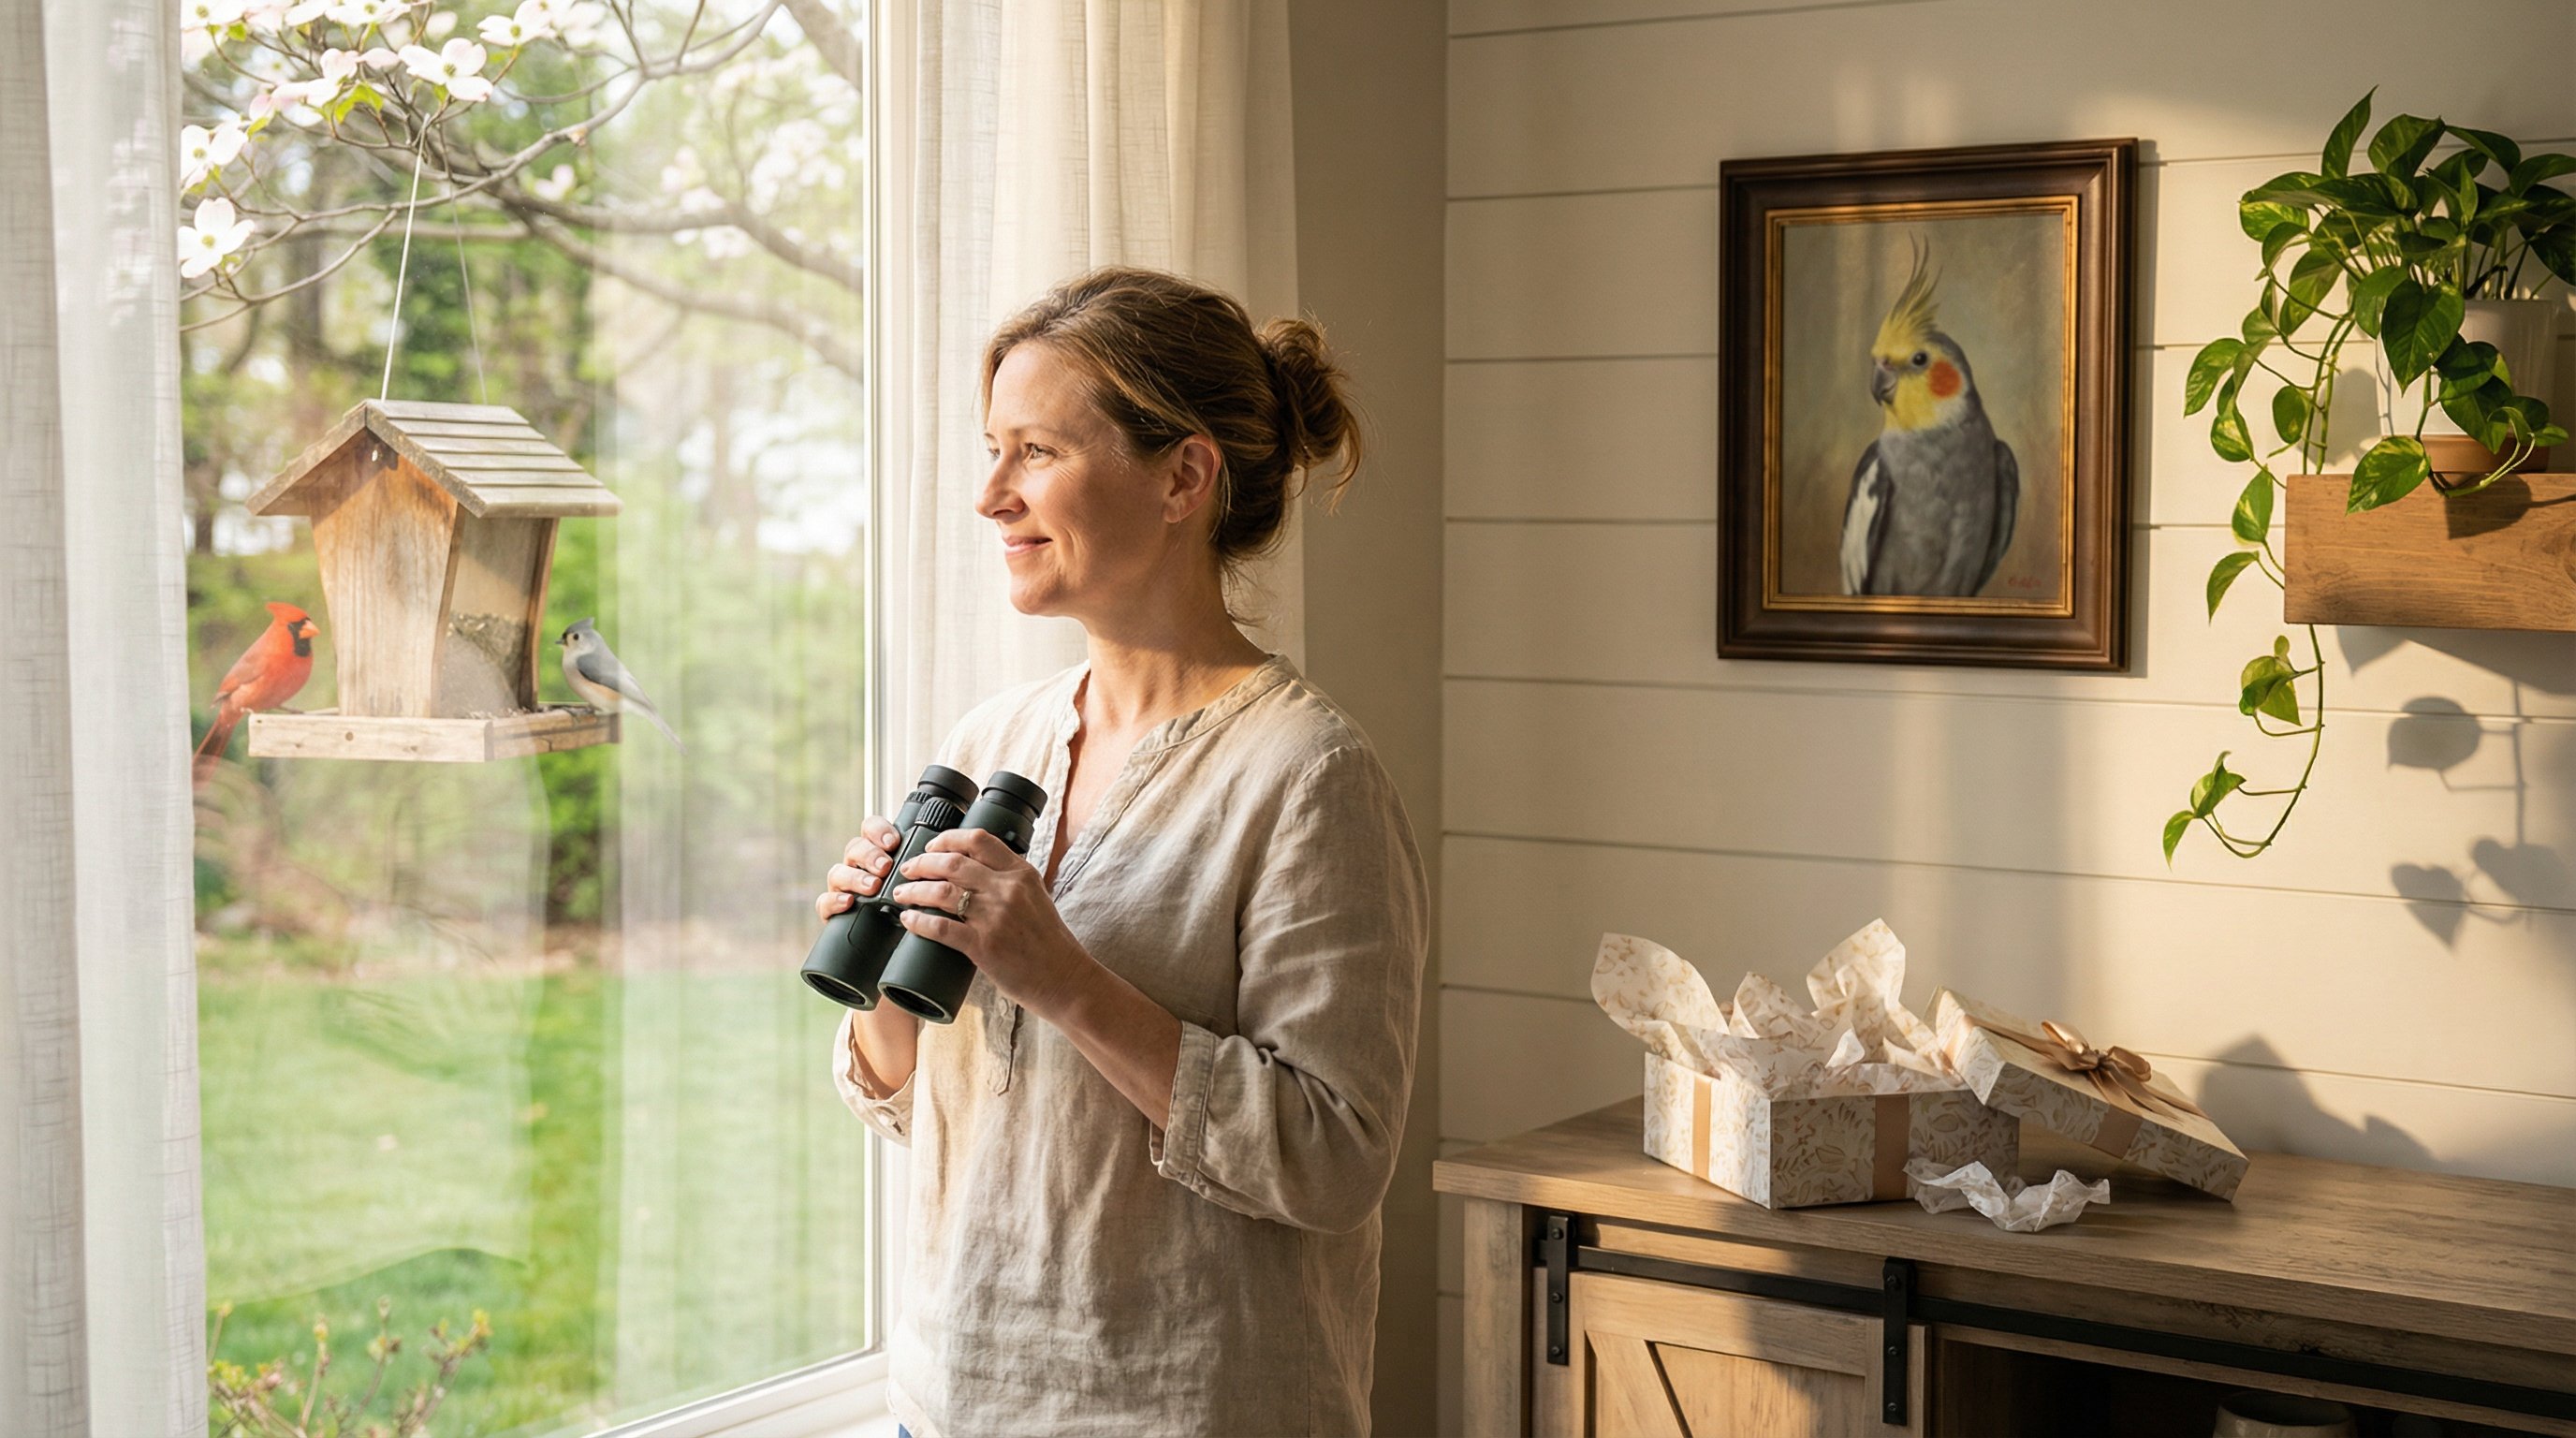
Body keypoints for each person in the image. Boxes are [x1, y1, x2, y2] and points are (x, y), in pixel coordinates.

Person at [814, 266, 1427, 1438]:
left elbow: (1333, 1159)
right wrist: (883, 971)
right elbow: (923, 1108)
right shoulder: (992, 741)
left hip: (1178, 1410)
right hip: (945, 1402)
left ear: (1182, 476)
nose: (991, 495)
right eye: (990, 450)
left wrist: (1064, 978)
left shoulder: (1308, 777)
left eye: (1035, 451)